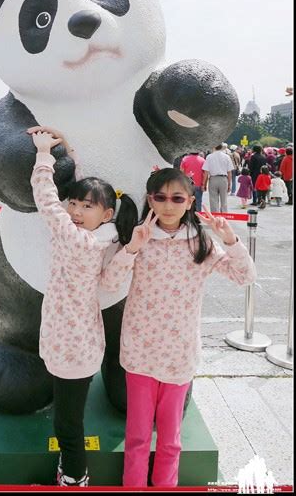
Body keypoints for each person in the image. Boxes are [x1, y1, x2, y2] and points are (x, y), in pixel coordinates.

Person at [100, 168, 255, 487]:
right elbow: (110, 283)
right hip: (140, 352)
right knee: (138, 437)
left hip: (179, 355)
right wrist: (131, 249)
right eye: (160, 197)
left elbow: (245, 276)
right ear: (149, 200)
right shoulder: (140, 239)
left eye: (177, 198)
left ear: (190, 201)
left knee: (170, 440)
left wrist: (230, 239)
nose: (168, 205)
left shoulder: (201, 243)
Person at [28, 126, 138, 487]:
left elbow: (46, 200)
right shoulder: (101, 239)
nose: (74, 210)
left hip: (70, 347)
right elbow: (108, 283)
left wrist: (44, 153)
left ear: (106, 214)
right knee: (70, 413)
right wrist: (69, 152)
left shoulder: (74, 239)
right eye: (73, 203)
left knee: (68, 424)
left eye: (86, 206)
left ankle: (75, 476)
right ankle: (72, 469)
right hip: (81, 342)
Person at [202, 144, 234, 213]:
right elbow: (229, 172)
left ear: (214, 147)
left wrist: (204, 184)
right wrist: (229, 184)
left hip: (213, 179)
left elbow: (206, 172)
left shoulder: (209, 157)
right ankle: (224, 217)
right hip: (223, 179)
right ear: (222, 147)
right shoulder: (227, 157)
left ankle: (215, 217)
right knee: (224, 200)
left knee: (213, 200)